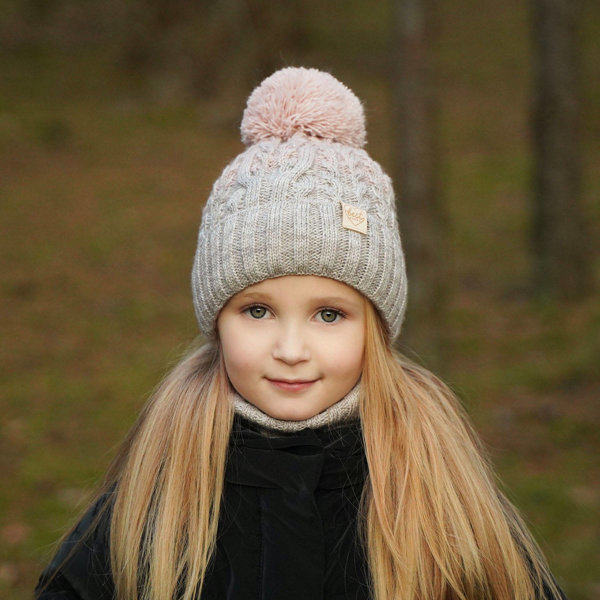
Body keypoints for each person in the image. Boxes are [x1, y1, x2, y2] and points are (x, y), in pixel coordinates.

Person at [35, 67, 566, 600]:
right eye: (258, 311)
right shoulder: (157, 496)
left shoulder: (441, 493)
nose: (291, 351)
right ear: (216, 320)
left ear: (376, 329)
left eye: (329, 315)